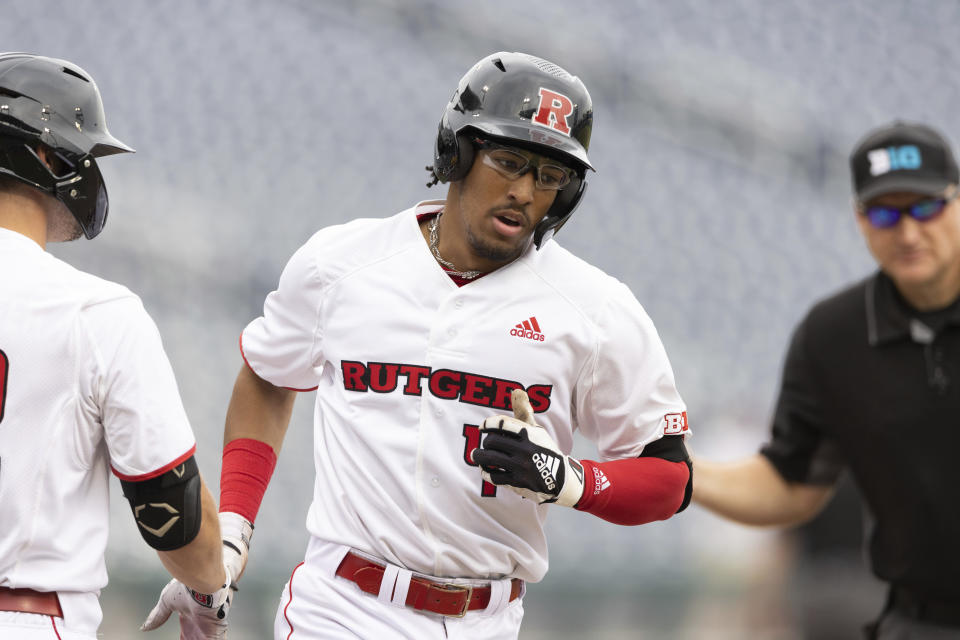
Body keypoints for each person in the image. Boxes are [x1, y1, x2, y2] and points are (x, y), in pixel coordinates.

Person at [147, 51, 693, 639]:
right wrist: (233, 530)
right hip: (340, 607)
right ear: (457, 152)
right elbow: (269, 374)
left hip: (487, 618)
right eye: (508, 161)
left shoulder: (595, 309)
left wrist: (569, 480)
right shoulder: (343, 264)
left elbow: (671, 477)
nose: (525, 192)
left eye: (550, 176)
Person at [0, 53, 241, 640]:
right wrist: (209, 583)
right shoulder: (99, 313)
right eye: (80, 153)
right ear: (47, 156)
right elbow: (174, 520)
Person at [692, 120, 960, 639]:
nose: (908, 232)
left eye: (925, 209)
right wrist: (684, 474)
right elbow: (790, 483)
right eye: (885, 213)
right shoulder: (834, 336)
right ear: (860, 220)